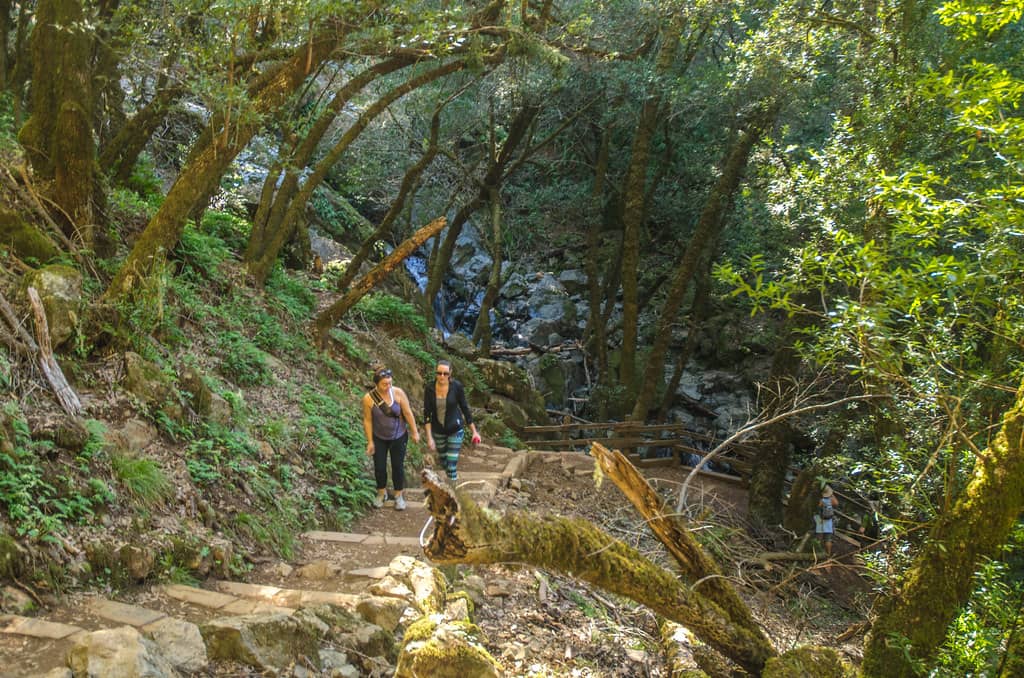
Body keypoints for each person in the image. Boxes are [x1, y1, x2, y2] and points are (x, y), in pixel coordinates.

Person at [363, 366, 420, 510]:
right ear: (376, 384)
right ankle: (381, 493)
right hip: (379, 437)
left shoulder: (398, 393)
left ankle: (398, 495)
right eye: (384, 384)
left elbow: (408, 413)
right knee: (380, 466)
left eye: (390, 383)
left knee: (397, 466)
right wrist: (370, 441)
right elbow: (368, 420)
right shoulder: (369, 398)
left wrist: (415, 432)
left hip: (399, 435)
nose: (388, 386)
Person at [424, 360, 480, 482]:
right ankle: (451, 483)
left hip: (455, 429)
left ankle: (454, 490)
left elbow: (465, 408)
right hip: (438, 430)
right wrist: (429, 437)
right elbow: (427, 414)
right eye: (439, 373)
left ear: (450, 373)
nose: (442, 376)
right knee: (444, 462)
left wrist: (474, 432)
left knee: (451, 464)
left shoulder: (456, 387)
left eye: (445, 373)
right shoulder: (429, 388)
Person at [814, 484, 840, 557]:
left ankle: (817, 552)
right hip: (828, 520)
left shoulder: (822, 500)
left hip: (820, 519)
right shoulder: (831, 499)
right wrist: (832, 495)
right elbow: (836, 503)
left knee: (819, 536)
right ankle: (828, 554)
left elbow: (818, 507)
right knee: (828, 538)